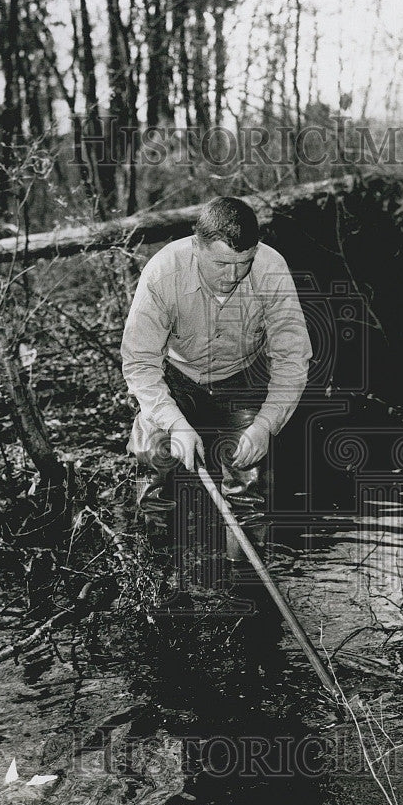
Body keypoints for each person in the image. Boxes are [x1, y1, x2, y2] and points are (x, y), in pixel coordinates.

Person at [120, 196, 312, 564]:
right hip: (177, 377)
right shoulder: (163, 272)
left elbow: (292, 358)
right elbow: (140, 363)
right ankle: (157, 576)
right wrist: (175, 423)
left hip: (241, 378)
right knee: (156, 461)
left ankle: (247, 588)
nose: (232, 275)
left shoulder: (271, 270)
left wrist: (265, 426)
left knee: (249, 480)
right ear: (197, 246)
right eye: (221, 263)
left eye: (243, 263)